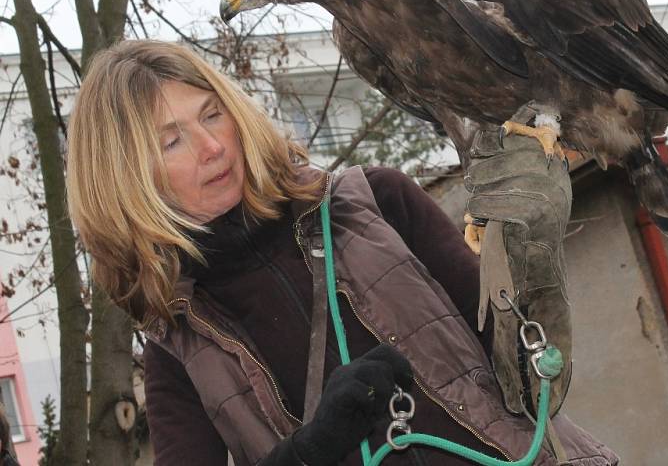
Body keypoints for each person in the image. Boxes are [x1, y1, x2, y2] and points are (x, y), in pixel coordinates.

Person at [66, 40, 618, 466]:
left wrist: (526, 259)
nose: (211, 147)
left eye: (212, 115)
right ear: (128, 179)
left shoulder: (375, 201)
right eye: (171, 141)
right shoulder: (178, 346)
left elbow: (530, 365)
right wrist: (310, 449)